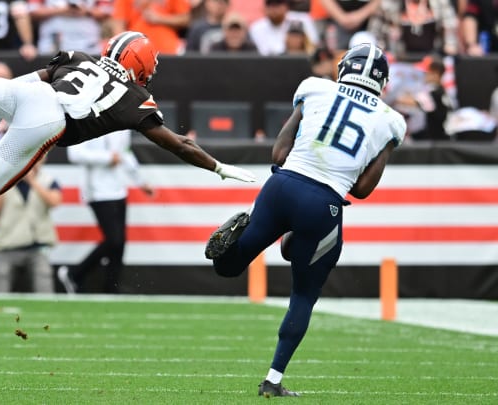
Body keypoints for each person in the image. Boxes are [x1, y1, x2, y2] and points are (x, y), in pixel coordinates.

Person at [0, 30, 257, 297]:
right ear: (139, 65)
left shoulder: (78, 57)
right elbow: (178, 144)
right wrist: (217, 167)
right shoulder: (135, 99)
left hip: (31, 99)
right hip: (51, 121)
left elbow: (15, 89)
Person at [204, 43, 406, 397]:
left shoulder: (314, 87)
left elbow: (279, 154)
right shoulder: (391, 121)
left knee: (229, 268)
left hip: (281, 186)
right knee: (303, 294)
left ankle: (236, 244)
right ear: (382, 83)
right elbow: (360, 190)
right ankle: (273, 380)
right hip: (323, 204)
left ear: (343, 68)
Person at [58, 129, 154, 294]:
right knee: (114, 240)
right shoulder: (87, 118)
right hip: (97, 192)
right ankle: (74, 274)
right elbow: (75, 154)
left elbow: (125, 153)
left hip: (118, 190)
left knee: (119, 245)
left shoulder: (123, 123)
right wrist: (107, 158)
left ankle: (112, 290)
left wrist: (140, 181)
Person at [0, 155, 61, 293]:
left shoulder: (47, 180)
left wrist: (32, 182)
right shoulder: (3, 181)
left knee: (44, 280)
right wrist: (10, 180)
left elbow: (55, 201)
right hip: (8, 245)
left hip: (37, 246)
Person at [395, 56, 452, 141]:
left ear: (435, 74)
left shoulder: (434, 94)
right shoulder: (441, 91)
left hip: (438, 143)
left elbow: (403, 100)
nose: (422, 75)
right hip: (440, 140)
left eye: (426, 73)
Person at [110, 0, 192, 55]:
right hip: (136, 52)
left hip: (167, 51)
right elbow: (118, 24)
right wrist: (123, 50)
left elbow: (185, 19)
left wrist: (159, 18)